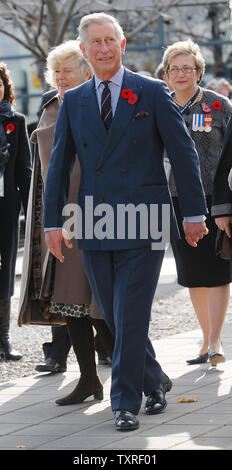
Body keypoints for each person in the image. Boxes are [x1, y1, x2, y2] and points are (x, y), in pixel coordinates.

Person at [44, 13, 208, 431]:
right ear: (84, 50)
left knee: (131, 313)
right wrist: (50, 223)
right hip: (95, 221)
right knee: (114, 316)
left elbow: (185, 153)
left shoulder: (151, 91)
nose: (103, 48)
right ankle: (155, 380)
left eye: (109, 41)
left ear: (122, 45)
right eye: (95, 42)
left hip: (144, 219)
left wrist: (193, 212)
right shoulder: (75, 100)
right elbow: (59, 166)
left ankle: (124, 402)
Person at [18, 40, 114, 404]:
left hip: (90, 215)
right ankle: (89, 380)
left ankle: (145, 376)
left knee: (97, 305)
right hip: (58, 217)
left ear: (86, 71)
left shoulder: (96, 103)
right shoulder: (51, 104)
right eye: (55, 71)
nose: (60, 77)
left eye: (68, 70)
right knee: (69, 304)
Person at [162, 39, 232, 367]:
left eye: (186, 68)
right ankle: (205, 339)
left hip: (214, 201)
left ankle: (217, 340)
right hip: (176, 199)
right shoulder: (159, 107)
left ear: (198, 71)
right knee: (191, 274)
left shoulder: (219, 107)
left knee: (217, 270)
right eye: (174, 68)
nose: (180, 74)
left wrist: (225, 205)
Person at [0, 62, 32, 360]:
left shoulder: (15, 121)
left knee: (6, 269)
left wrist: (30, 210)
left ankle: (4, 337)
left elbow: (24, 170)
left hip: (6, 208)